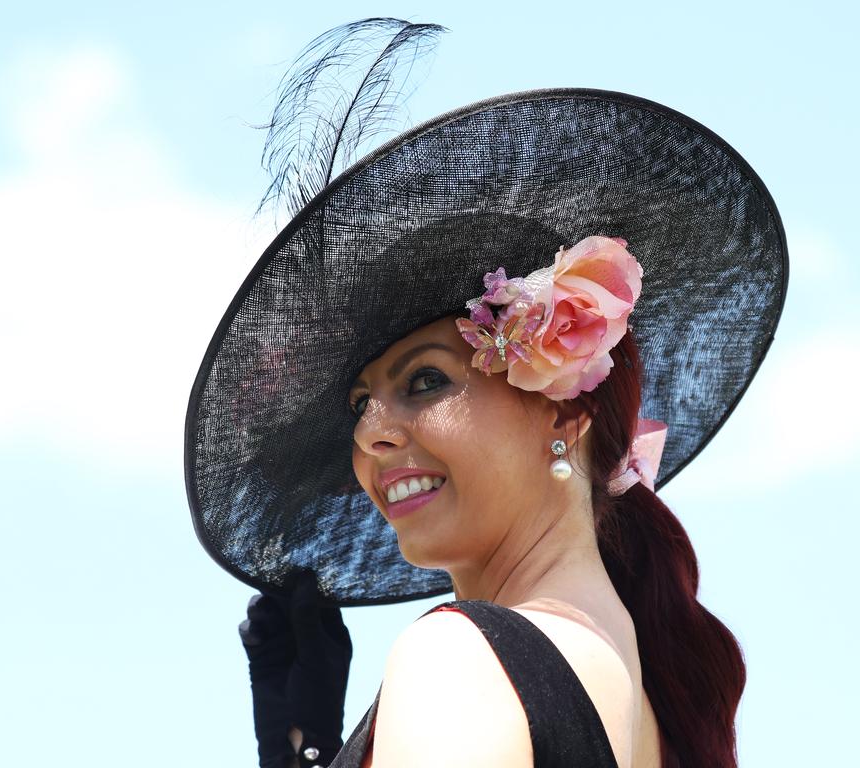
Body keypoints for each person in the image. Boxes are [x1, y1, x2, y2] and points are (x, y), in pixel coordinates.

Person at [185, 18, 788, 768]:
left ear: (567, 405)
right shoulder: (651, 706)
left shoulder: (458, 664)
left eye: (425, 380)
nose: (371, 433)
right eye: (359, 404)